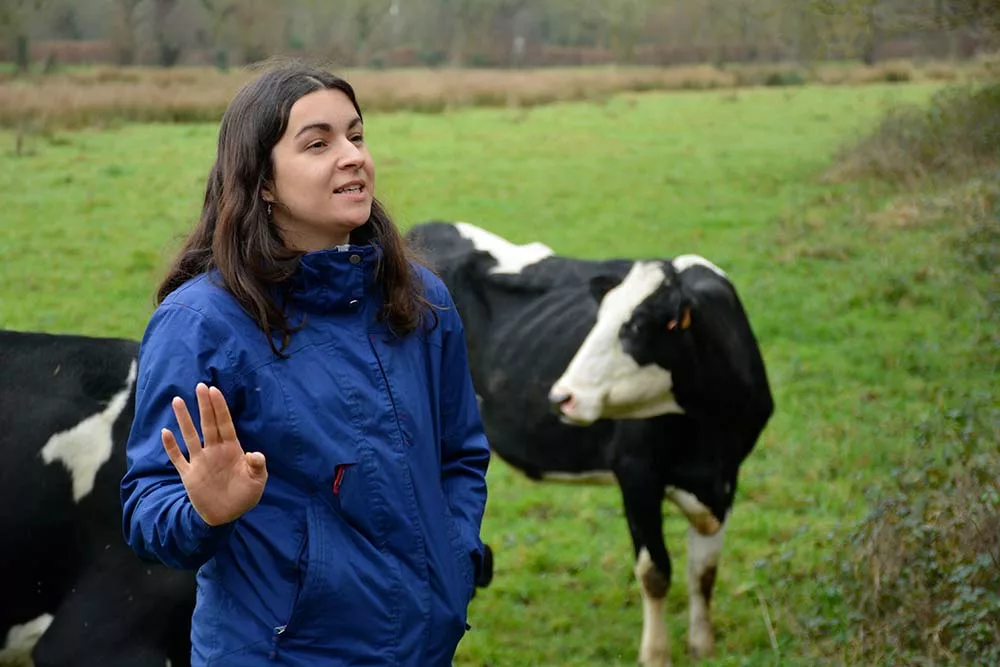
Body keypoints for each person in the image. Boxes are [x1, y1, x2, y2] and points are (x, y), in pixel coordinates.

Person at [120, 60, 491, 666]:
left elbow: (461, 455)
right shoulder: (201, 323)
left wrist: (453, 555)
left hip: (425, 648)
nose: (351, 156)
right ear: (261, 181)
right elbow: (146, 510)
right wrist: (204, 511)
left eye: (357, 135)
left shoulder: (419, 299)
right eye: (318, 143)